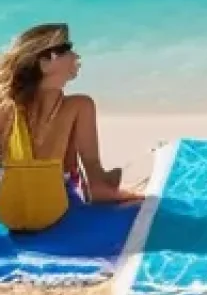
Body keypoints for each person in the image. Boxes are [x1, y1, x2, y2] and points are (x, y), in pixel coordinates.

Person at [0, 24, 140, 203]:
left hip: (10, 206)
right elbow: (96, 185)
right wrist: (136, 196)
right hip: (54, 205)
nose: (76, 56)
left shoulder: (6, 108)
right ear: (45, 63)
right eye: (67, 49)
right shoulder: (79, 106)